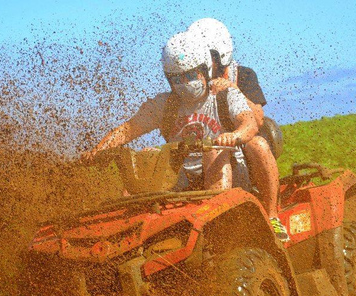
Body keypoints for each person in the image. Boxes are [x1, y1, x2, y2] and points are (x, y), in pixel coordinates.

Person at [83, 31, 257, 194]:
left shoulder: (224, 95)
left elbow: (249, 123)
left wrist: (233, 136)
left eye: (190, 76)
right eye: (176, 79)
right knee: (146, 155)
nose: (184, 83)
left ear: (204, 70)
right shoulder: (163, 104)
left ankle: (218, 215)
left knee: (215, 152)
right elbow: (128, 129)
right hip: (182, 179)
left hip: (231, 174)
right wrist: (99, 150)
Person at [188, 18, 289, 241]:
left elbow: (259, 119)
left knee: (259, 144)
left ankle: (272, 215)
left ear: (220, 54)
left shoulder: (243, 75)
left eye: (207, 55)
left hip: (244, 142)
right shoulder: (195, 81)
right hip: (209, 146)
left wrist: (233, 89)